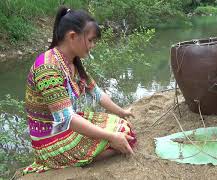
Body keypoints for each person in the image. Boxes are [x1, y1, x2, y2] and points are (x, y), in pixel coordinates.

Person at [23, 7, 136, 174]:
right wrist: (111, 138)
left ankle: (98, 149)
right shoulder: (48, 68)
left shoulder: (70, 61)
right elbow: (67, 119)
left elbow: (96, 93)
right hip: (51, 138)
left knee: (123, 127)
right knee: (121, 137)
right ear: (72, 36)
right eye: (90, 40)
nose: (93, 46)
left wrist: (122, 112)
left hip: (67, 126)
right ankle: (81, 158)